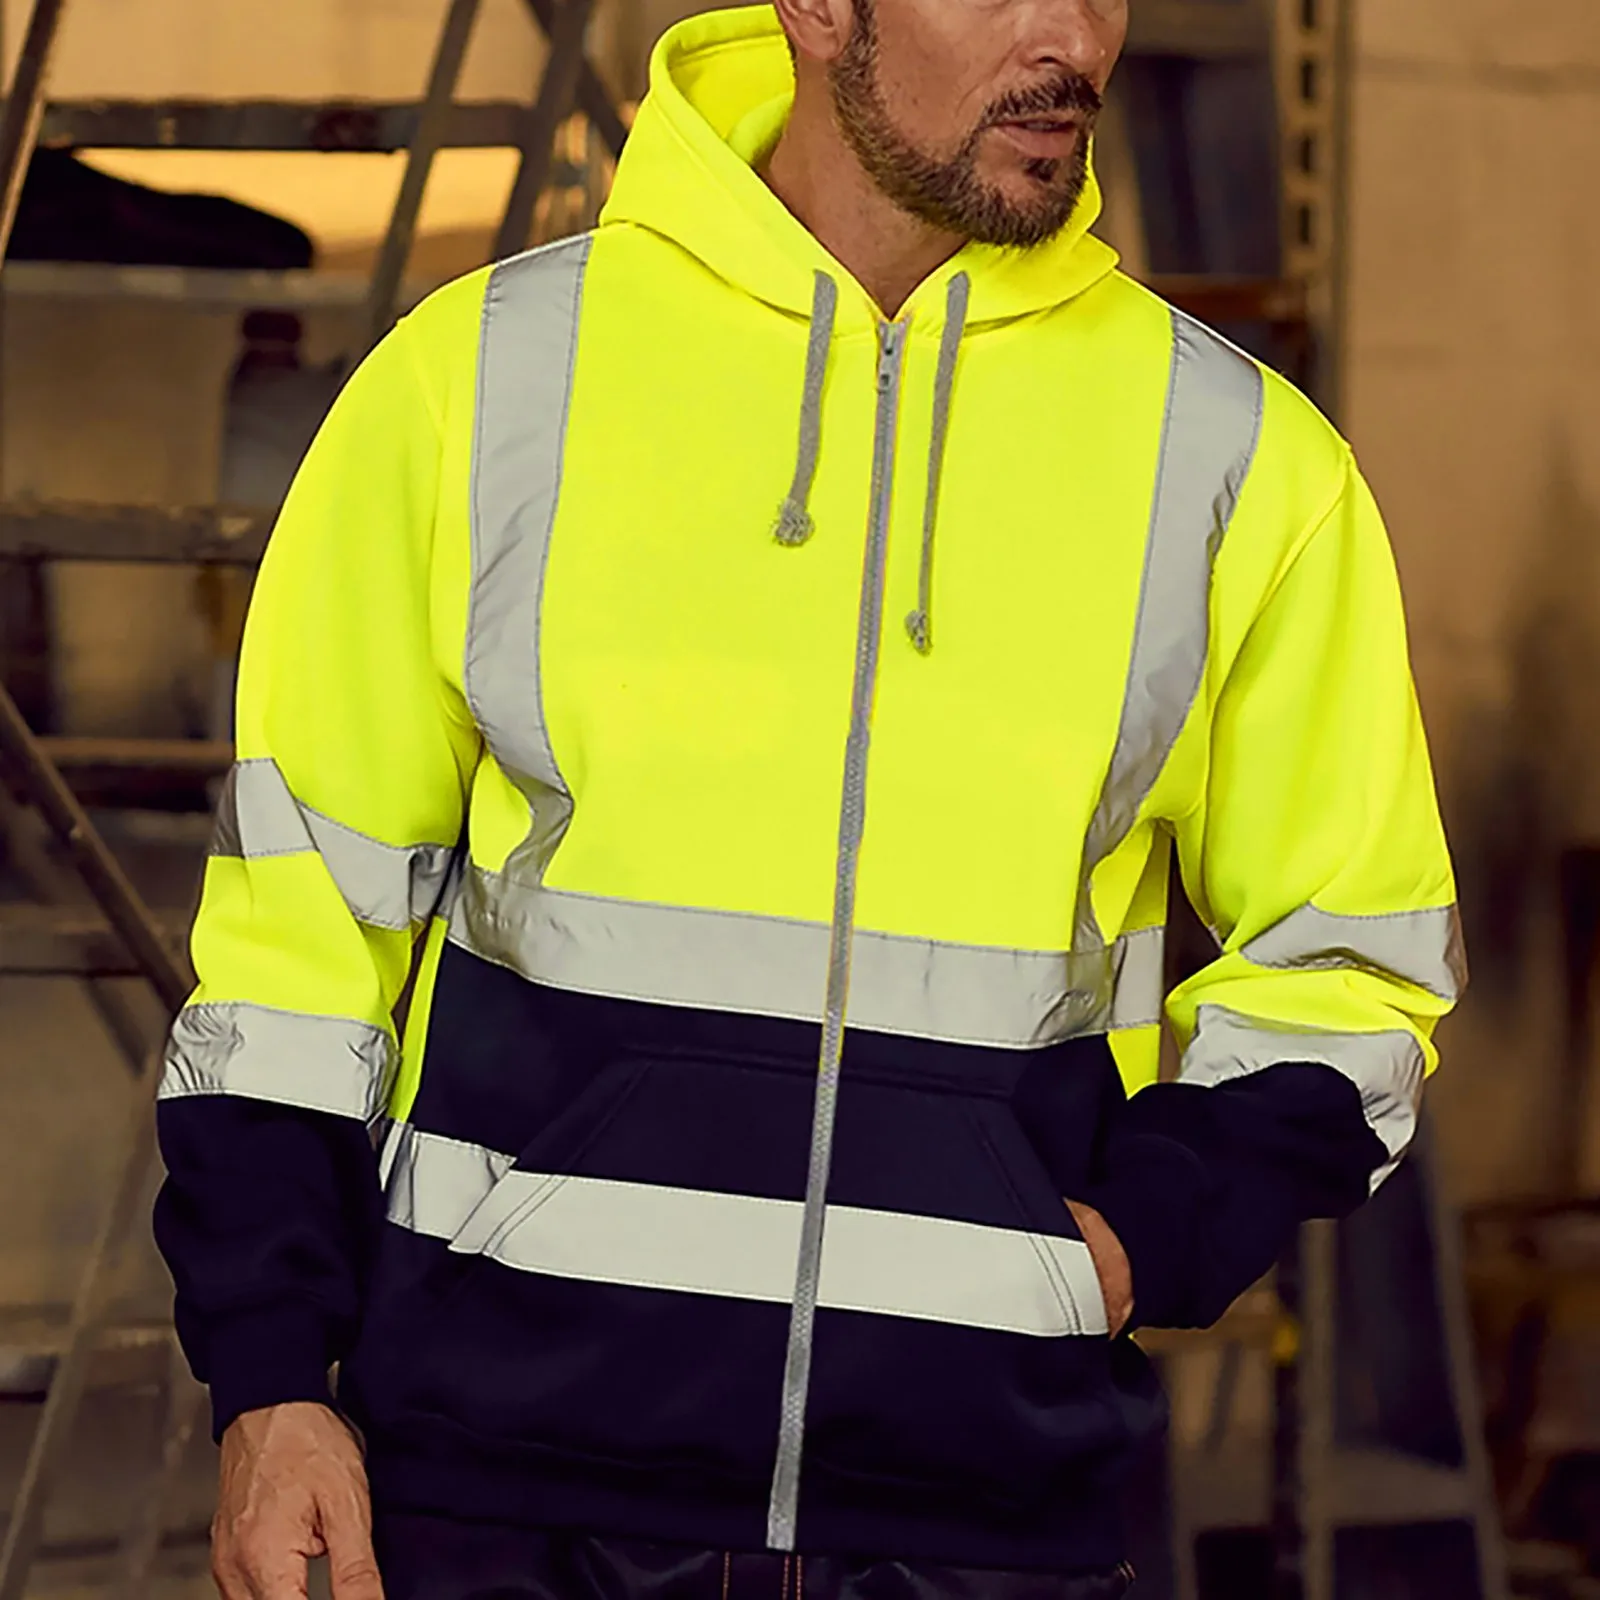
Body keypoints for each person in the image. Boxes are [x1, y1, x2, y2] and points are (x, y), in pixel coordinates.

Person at [153, 0, 1463, 1595]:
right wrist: (270, 1379)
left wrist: (1138, 1239)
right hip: (504, 1509)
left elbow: (1354, 967)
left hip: (979, 1520)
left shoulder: (1240, 462)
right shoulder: (481, 385)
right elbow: (296, 952)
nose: (1074, 40)